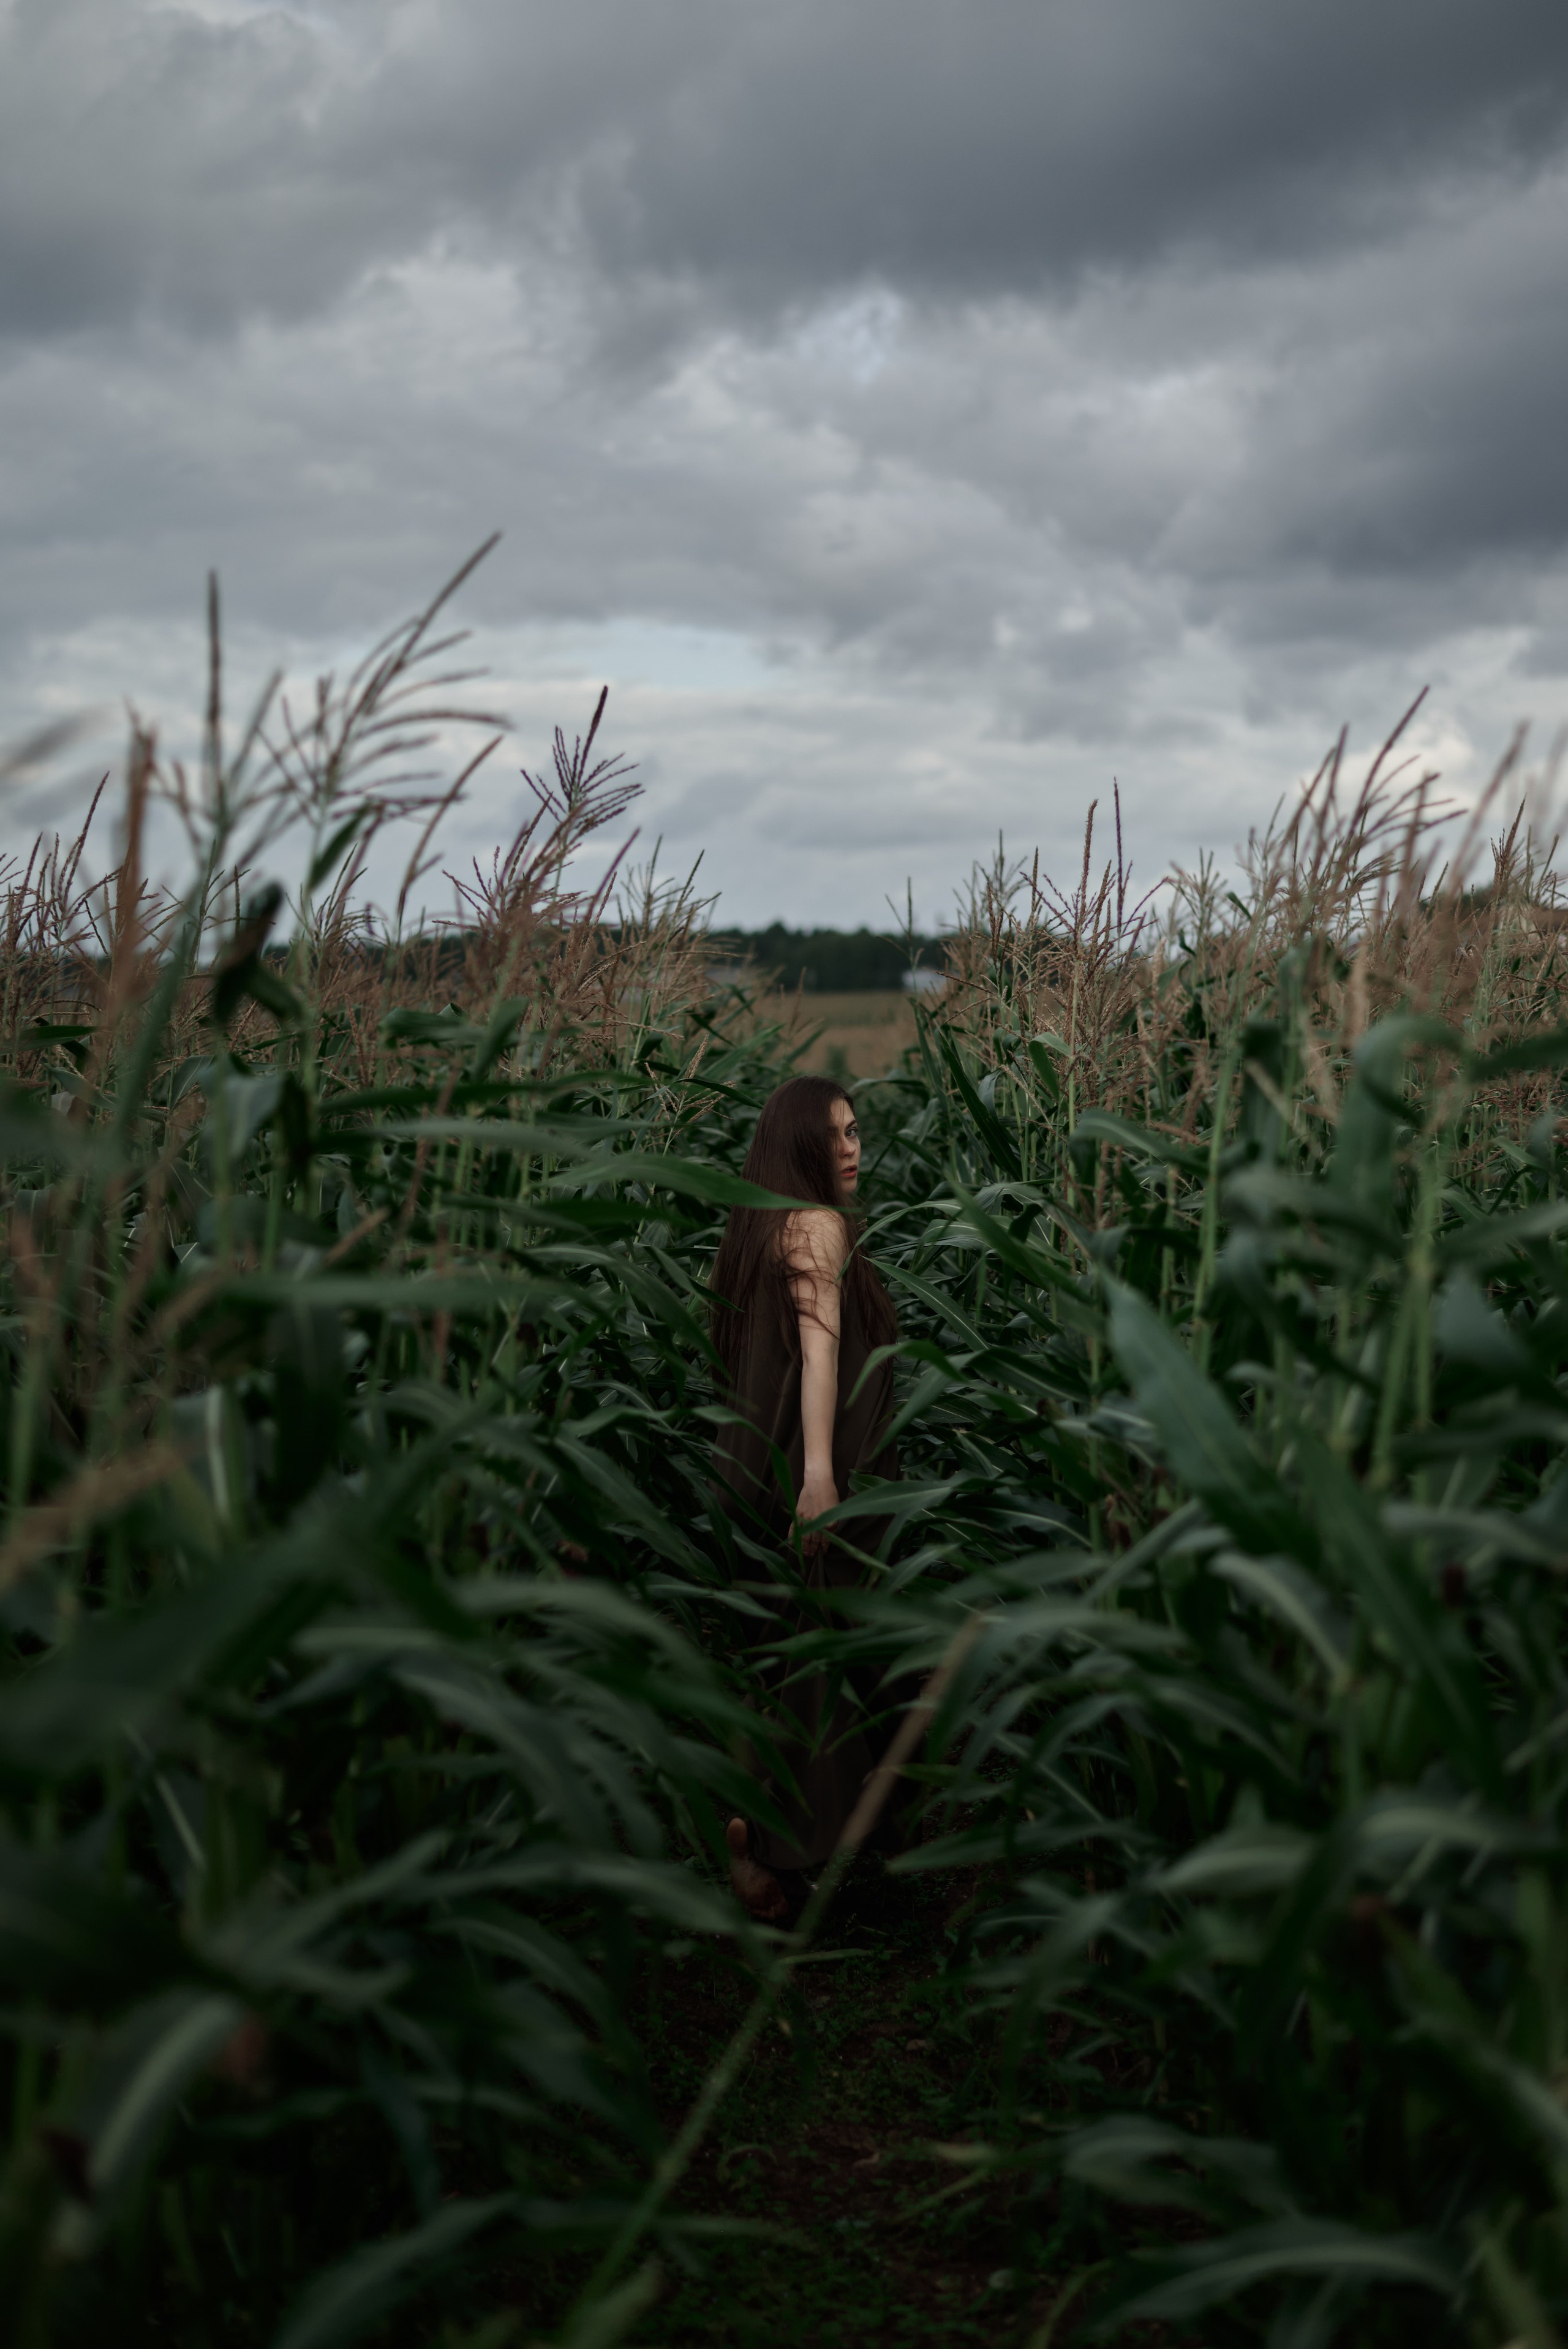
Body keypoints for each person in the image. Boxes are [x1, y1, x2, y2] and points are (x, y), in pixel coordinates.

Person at [709, 1074, 901, 1921]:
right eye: (837, 1137)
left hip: (754, 1463)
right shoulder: (818, 1227)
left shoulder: (757, 1227)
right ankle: (775, 1847)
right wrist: (821, 1476)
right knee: (817, 1661)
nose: (854, 1148)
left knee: (781, 1656)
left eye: (858, 1131)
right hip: (810, 1472)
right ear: (800, 1148)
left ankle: (756, 1838)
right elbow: (821, 1355)